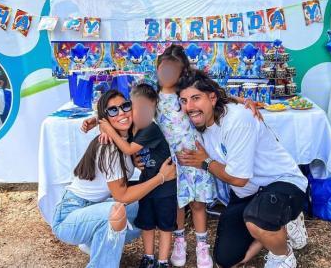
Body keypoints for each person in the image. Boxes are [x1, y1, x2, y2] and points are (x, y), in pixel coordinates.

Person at [82, 45, 263, 268]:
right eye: (163, 69)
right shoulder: (154, 97)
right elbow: (128, 109)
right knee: (176, 203)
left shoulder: (184, 95)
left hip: (195, 158)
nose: (167, 74)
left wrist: (243, 101)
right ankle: (178, 241)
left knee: (197, 204)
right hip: (171, 163)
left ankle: (201, 245)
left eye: (173, 70)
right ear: (157, 69)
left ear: (182, 72)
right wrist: (96, 119)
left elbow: (215, 96)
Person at [175, 70, 309, 268]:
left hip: (282, 182)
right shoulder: (195, 119)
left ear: (212, 98)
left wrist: (205, 162)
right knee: (227, 260)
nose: (189, 107)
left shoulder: (237, 119)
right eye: (184, 101)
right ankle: (282, 227)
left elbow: (238, 179)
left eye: (195, 98)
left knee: (258, 219)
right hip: (247, 194)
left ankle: (283, 255)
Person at [52, 89, 177, 268]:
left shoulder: (131, 136)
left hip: (96, 208)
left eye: (125, 106)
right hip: (70, 217)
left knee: (146, 207)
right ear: (107, 118)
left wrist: (100, 122)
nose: (121, 113)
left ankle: (94, 239)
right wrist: (161, 177)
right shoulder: (109, 147)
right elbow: (122, 196)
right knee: (117, 210)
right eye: (112, 111)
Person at [98, 83, 177, 268]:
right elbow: (117, 123)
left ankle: (163, 261)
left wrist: (108, 130)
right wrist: (99, 125)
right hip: (147, 186)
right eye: (135, 108)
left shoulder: (150, 128)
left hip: (166, 188)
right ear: (129, 106)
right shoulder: (134, 127)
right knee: (146, 224)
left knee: (165, 227)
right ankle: (149, 257)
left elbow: (126, 148)